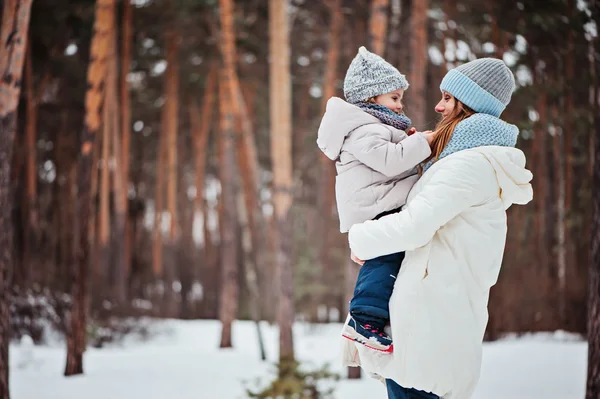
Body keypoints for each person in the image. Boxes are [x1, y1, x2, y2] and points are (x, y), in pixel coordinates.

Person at [342, 58, 534, 399]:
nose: (438, 106)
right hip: (434, 322)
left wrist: (360, 238)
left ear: (467, 105)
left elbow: (414, 226)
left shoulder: (468, 165)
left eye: (447, 98)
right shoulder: (460, 161)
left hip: (429, 327)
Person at [317, 46, 435, 352]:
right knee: (385, 260)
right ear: (371, 98)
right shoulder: (362, 129)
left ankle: (374, 317)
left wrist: (409, 142)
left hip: (380, 203)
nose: (400, 105)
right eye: (394, 98)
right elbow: (391, 161)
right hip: (376, 208)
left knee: (388, 259)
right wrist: (423, 142)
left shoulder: (374, 127)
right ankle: (363, 318)